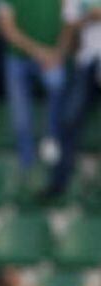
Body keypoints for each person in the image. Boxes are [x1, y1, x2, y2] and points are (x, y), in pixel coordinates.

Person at [0, 0, 73, 172]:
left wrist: (58, 53)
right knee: (21, 118)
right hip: (17, 60)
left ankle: (52, 139)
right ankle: (27, 166)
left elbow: (70, 21)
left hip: (52, 57)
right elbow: (7, 28)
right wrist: (38, 52)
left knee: (57, 84)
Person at [48, 1, 101, 196]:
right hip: (86, 62)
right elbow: (70, 27)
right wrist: (58, 56)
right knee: (68, 119)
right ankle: (59, 181)